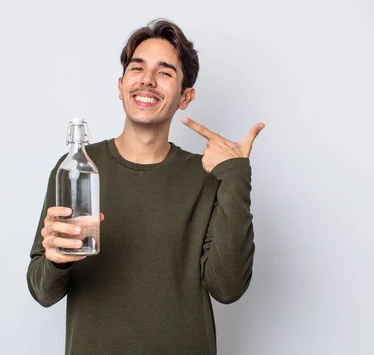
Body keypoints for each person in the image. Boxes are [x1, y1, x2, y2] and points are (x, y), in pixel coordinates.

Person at [26, 18, 264, 355]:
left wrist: (236, 175)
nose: (148, 81)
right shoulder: (78, 169)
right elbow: (43, 291)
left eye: (165, 72)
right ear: (121, 84)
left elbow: (227, 288)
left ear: (186, 96)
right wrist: (57, 261)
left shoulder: (207, 176)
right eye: (137, 68)